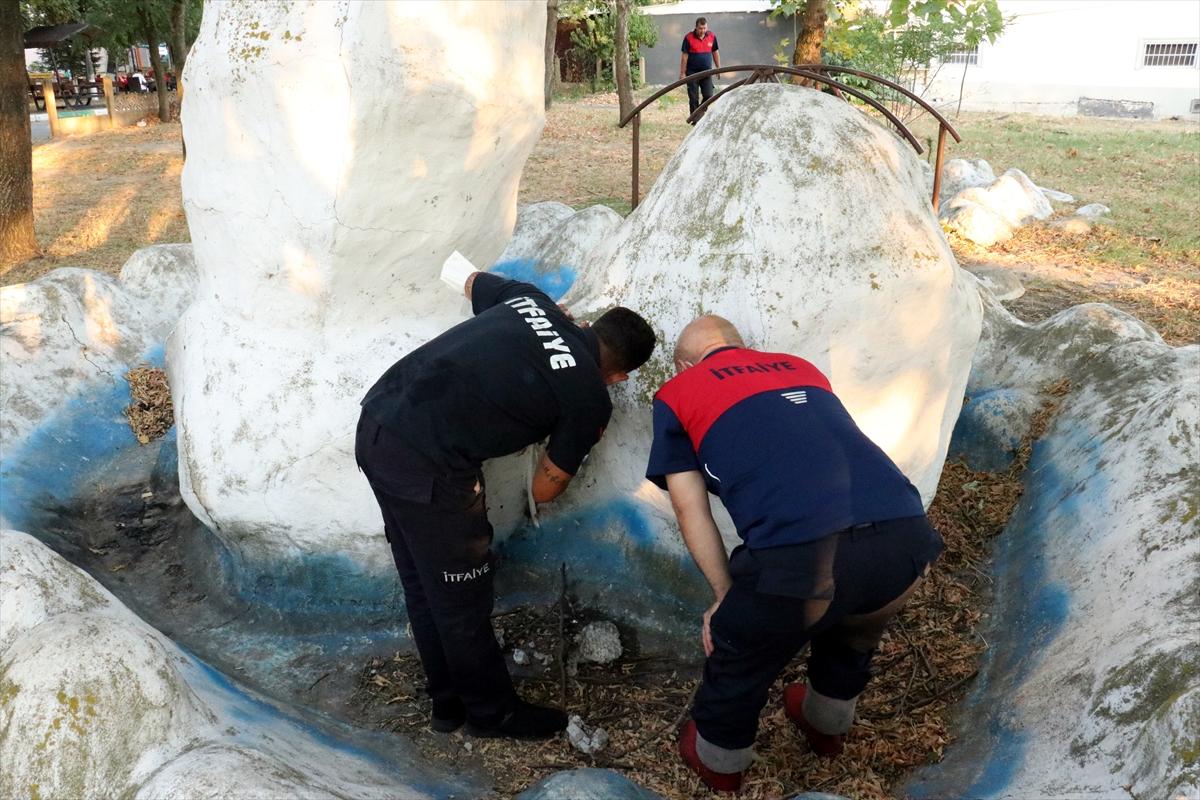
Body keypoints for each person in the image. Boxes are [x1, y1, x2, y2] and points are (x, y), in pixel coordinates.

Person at [645, 315, 944, 792]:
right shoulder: (801, 367)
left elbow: (690, 510)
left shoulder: (678, 393)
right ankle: (826, 724)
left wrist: (724, 595)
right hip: (906, 537)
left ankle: (718, 762)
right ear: (743, 348)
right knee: (855, 630)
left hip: (801, 556)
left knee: (738, 646)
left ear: (683, 364)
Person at [356, 269, 656, 740]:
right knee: (462, 597)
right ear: (619, 375)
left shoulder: (530, 299)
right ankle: (491, 714)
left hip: (377, 421)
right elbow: (544, 489)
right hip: (428, 463)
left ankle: (447, 705)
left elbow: (470, 278)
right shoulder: (589, 397)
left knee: (424, 582)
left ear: (590, 324)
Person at [679, 17, 720, 119]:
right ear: (696, 28)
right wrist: (682, 73)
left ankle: (700, 111)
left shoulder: (711, 36)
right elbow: (684, 56)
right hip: (692, 73)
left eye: (704, 28)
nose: (703, 31)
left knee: (709, 95)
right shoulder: (688, 38)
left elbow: (715, 52)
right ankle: (695, 119)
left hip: (707, 73)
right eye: (700, 28)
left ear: (707, 27)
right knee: (693, 98)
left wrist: (718, 68)